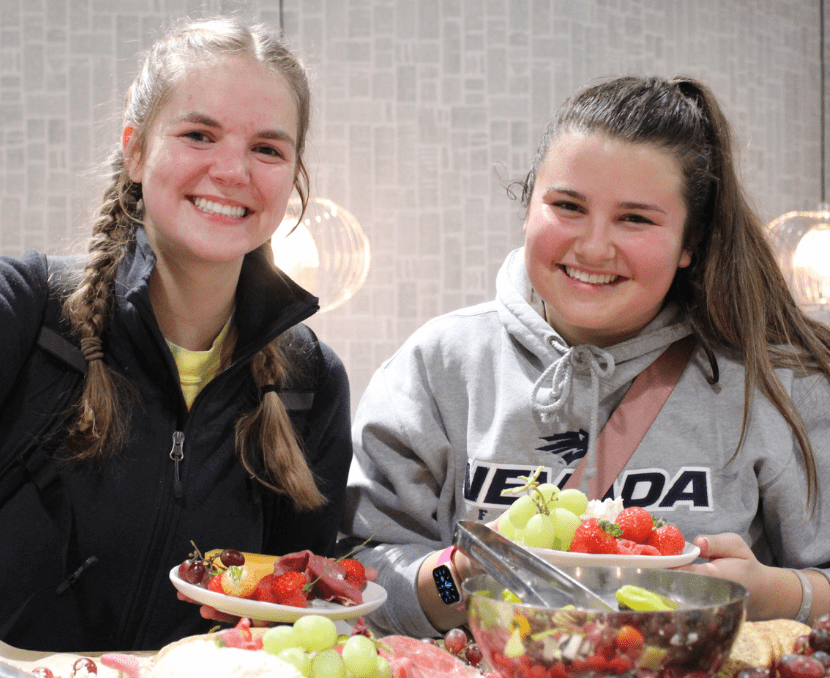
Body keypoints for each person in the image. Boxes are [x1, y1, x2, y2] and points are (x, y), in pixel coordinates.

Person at [341, 75, 830, 638]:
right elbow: (364, 568)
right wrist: (453, 580)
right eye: (568, 206)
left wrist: (775, 594)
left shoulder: (771, 382)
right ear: (529, 208)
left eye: (636, 218)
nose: (594, 247)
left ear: (689, 243)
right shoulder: (441, 365)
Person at [0, 17, 352, 651]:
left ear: (292, 176)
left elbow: (305, 619)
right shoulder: (17, 313)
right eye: (198, 135)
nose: (233, 170)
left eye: (268, 148)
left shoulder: (310, 383)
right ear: (135, 150)